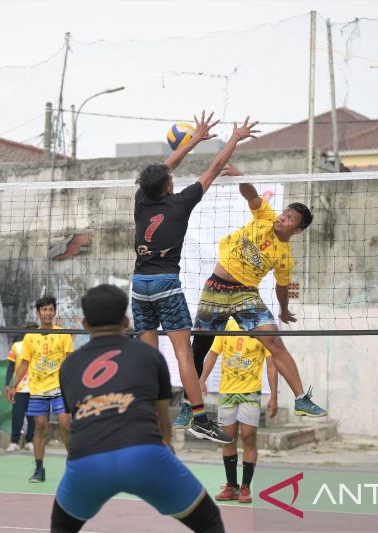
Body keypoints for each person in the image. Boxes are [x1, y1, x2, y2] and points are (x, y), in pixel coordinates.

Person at [52, 284, 224, 533]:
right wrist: (166, 453)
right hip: (144, 454)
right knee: (208, 522)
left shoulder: (69, 365)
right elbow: (162, 421)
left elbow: (68, 425)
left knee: (61, 527)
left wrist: (77, 460)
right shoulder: (149, 355)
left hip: (88, 460)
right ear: (126, 321)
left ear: (84, 323)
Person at [133, 110, 259, 444]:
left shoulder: (141, 200)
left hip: (139, 285)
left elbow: (165, 168)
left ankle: (146, 417)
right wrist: (234, 137)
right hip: (165, 284)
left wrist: (191, 141)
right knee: (184, 354)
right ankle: (200, 419)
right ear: (169, 186)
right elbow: (215, 167)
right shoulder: (180, 203)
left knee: (149, 356)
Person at [190, 164, 326, 421]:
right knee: (200, 343)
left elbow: (281, 287)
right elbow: (251, 195)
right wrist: (241, 177)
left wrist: (284, 311)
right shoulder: (265, 217)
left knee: (274, 341)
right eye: (284, 214)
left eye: (290, 219)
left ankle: (301, 399)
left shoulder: (285, 257)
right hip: (217, 287)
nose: (282, 218)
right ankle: (190, 403)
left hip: (245, 294)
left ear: (297, 230)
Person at [198, 318, 278, 504]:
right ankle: (231, 486)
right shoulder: (226, 325)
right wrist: (202, 379)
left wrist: (274, 396)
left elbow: (271, 364)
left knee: (248, 437)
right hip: (227, 392)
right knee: (228, 439)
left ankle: (245, 487)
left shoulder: (262, 327)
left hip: (250, 393)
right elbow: (212, 354)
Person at [8, 295, 74, 483]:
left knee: (66, 425)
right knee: (39, 426)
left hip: (59, 387)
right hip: (37, 388)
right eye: (44, 309)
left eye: (51, 309)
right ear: (38, 312)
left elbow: (69, 360)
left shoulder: (63, 334)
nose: (47, 313)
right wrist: (14, 385)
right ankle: (39, 469)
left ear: (54, 312)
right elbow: (24, 363)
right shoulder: (30, 337)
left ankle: (72, 463)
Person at [4, 322, 39, 452]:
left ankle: (30, 441)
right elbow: (10, 366)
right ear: (25, 333)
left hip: (36, 388)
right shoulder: (17, 346)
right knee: (17, 415)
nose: (33, 334)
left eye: (35, 332)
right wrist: (7, 384)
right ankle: (14, 441)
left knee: (33, 416)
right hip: (18, 388)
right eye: (30, 331)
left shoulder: (41, 347)